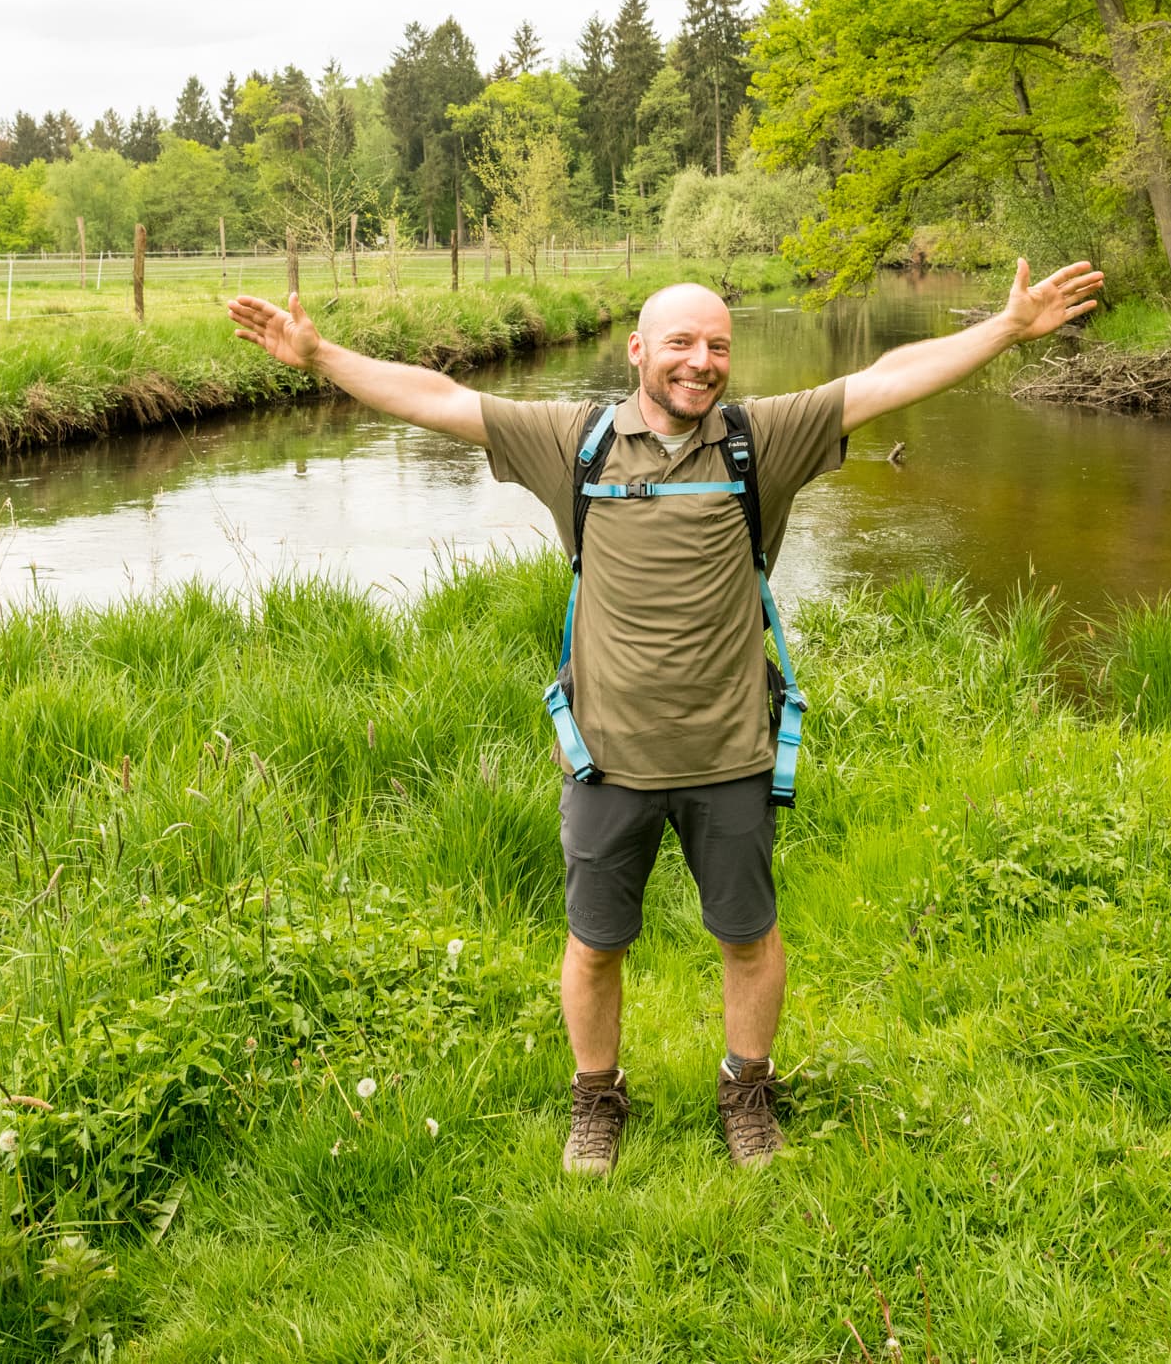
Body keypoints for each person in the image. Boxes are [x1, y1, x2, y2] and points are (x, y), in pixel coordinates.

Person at [225, 258, 1103, 1173]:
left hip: (731, 754)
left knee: (748, 935)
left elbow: (887, 377)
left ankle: (748, 1092)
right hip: (606, 757)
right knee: (595, 943)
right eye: (681, 342)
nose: (701, 361)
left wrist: (1002, 329)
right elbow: (437, 396)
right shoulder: (577, 441)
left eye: (718, 345)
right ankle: (597, 1098)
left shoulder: (763, 440)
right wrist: (320, 354)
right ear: (639, 349)